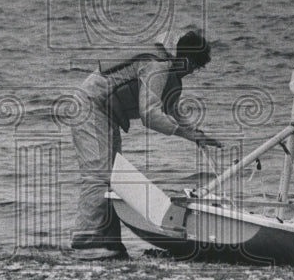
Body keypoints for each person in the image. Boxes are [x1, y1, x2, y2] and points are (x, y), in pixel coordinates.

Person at [69, 29, 221, 260]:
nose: (192, 72)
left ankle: (109, 243)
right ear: (187, 60)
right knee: (98, 175)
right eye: (195, 66)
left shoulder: (168, 70)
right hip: (90, 105)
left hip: (105, 112)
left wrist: (196, 134)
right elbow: (149, 114)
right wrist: (184, 133)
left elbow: (171, 109)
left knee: (112, 176)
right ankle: (85, 242)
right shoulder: (158, 66)